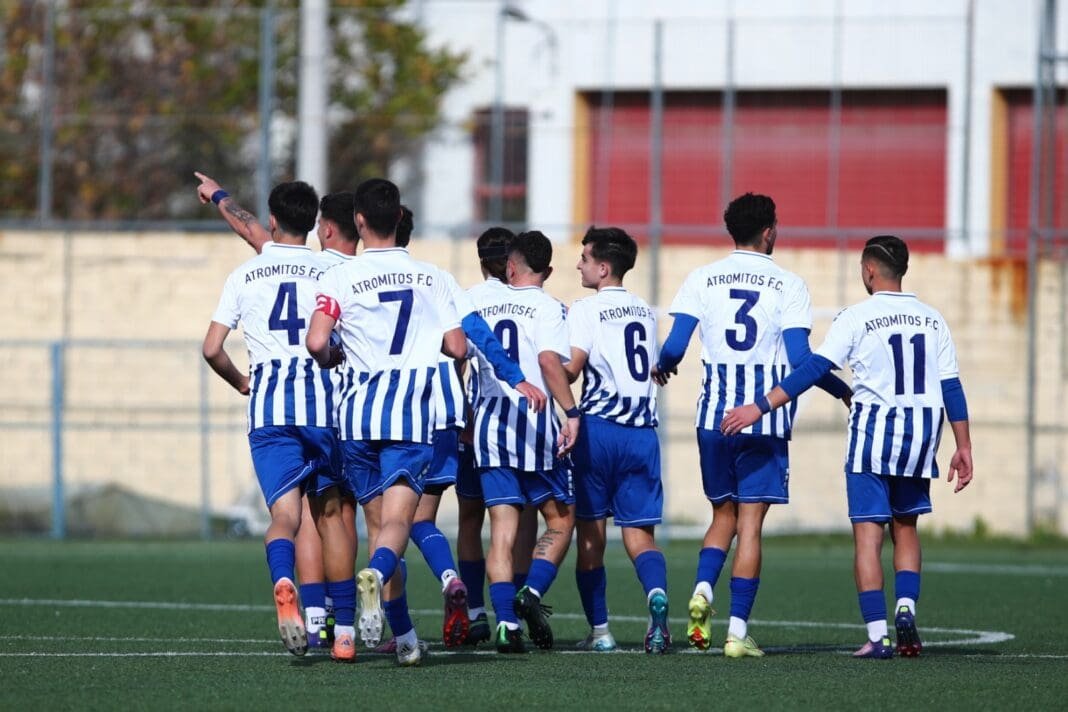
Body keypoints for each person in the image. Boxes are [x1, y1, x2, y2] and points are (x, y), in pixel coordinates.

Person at [720, 234, 974, 659]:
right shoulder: (933, 321)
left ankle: (877, 636)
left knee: (868, 538)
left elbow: (811, 369)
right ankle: (906, 607)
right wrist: (963, 445)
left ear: (869, 271)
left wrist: (759, 407)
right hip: (919, 439)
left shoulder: (856, 317)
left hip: (873, 440)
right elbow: (951, 387)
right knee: (906, 528)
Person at [654, 192, 852, 658]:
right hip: (764, 420)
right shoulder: (789, 284)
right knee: (750, 525)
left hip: (714, 419)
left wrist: (663, 365)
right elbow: (801, 360)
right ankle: (736, 633)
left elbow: (675, 346)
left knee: (721, 515)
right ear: (769, 231)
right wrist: (841, 390)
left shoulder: (701, 277)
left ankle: (702, 590)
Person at [195, 171, 359, 653]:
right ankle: (344, 633)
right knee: (331, 514)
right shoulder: (330, 271)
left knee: (286, 517)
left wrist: (242, 382)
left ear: (272, 221)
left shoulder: (244, 275)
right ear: (315, 225)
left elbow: (211, 349)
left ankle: (285, 581)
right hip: (322, 407)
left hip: (268, 409)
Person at [307, 178, 466, 666]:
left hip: (357, 417)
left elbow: (317, 342)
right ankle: (375, 575)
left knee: (378, 524)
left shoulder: (341, 277)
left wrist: (334, 356)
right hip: (410, 417)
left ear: (358, 222)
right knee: (399, 523)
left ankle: (407, 638)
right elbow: (458, 346)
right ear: (399, 217)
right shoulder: (434, 278)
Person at [467, 230, 580, 653]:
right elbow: (550, 362)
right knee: (561, 520)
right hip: (534, 424)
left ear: (510, 266)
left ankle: (505, 624)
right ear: (547, 271)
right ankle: (530, 591)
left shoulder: (476, 303)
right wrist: (572, 413)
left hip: (489, 426)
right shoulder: (550, 306)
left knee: (501, 531)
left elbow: (457, 356)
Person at [565, 227, 671, 654]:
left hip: (599, 432)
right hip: (642, 435)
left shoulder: (585, 309)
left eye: (585, 258)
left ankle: (601, 632)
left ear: (603, 268)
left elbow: (572, 368)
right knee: (640, 537)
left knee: (591, 538)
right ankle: (656, 595)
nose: (579, 265)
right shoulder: (645, 310)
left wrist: (543, 361)